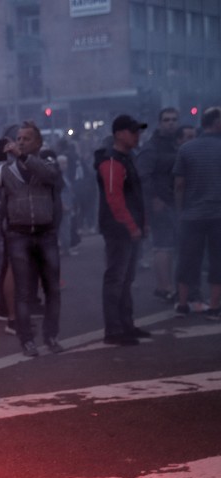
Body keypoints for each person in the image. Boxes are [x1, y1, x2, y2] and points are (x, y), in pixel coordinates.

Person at [0, 121, 63, 357]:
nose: (21, 142)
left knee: (52, 289)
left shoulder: (47, 164)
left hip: (45, 233)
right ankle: (27, 340)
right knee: (23, 290)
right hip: (19, 234)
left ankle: (51, 336)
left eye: (26, 139)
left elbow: (50, 175)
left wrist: (23, 157)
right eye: (19, 139)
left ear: (39, 143)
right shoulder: (7, 170)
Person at [94, 115, 150, 346]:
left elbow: (129, 197)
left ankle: (124, 325)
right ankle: (115, 329)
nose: (137, 135)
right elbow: (114, 199)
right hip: (119, 229)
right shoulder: (113, 161)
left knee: (124, 279)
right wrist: (132, 226)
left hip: (125, 227)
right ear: (119, 134)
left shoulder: (124, 159)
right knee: (118, 279)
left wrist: (139, 224)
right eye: (133, 131)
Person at [172, 106, 221, 320]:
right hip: (218, 215)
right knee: (217, 261)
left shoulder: (186, 149)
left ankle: (183, 304)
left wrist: (180, 211)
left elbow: (179, 184)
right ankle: (214, 307)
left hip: (191, 215)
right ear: (216, 123)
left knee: (187, 259)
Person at [137, 108, 180, 303]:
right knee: (163, 245)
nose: (170, 123)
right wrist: (154, 198)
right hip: (160, 202)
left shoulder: (175, 144)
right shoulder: (152, 147)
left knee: (171, 245)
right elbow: (143, 175)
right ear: (160, 122)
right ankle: (164, 286)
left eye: (174, 119)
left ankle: (169, 285)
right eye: (166, 120)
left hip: (174, 201)